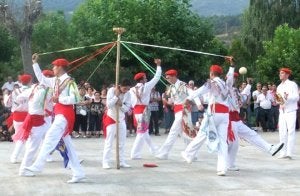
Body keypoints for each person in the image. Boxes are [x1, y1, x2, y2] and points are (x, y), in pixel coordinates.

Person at [24, 54, 85, 183]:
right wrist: (35, 63)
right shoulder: (55, 80)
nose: (53, 68)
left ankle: (38, 165)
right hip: (59, 112)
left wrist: (60, 99)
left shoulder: (70, 81)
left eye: (54, 66)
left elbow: (76, 99)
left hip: (65, 113)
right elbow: (41, 78)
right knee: (68, 145)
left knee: (50, 137)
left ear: (60, 67)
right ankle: (78, 172)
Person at [225, 69, 284, 171]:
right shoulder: (225, 89)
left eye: (236, 77)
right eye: (233, 77)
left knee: (252, 135)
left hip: (236, 120)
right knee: (232, 144)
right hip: (229, 120)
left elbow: (243, 98)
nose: (234, 79)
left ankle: (270, 148)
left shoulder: (234, 90)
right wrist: (232, 66)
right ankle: (226, 164)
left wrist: (248, 85)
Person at [181, 63, 231, 176]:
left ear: (212, 73)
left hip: (214, 112)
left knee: (202, 134)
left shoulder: (211, 82)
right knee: (223, 141)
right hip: (224, 114)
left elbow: (200, 91)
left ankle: (188, 153)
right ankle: (222, 168)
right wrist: (232, 66)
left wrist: (189, 98)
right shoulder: (224, 83)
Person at [16, 71, 53, 176]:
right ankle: (23, 170)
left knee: (34, 144)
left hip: (33, 118)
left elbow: (19, 98)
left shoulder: (33, 87)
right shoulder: (48, 91)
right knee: (33, 146)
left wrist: (29, 105)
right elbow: (51, 106)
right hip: (37, 121)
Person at [155, 69, 193, 160]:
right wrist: (166, 100)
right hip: (177, 111)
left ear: (173, 76)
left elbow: (192, 93)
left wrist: (198, 104)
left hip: (183, 111)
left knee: (173, 132)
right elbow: (173, 100)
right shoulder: (171, 87)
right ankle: (192, 153)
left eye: (168, 78)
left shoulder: (182, 85)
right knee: (185, 134)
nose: (167, 79)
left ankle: (164, 153)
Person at [130, 59, 162, 159]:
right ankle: (134, 154)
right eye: (145, 78)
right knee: (141, 133)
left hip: (136, 111)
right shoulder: (146, 86)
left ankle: (153, 148)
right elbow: (157, 77)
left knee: (144, 131)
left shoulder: (131, 89)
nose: (146, 79)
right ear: (141, 80)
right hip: (143, 111)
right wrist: (158, 66)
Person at [102, 79, 132, 169]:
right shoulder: (112, 90)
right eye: (124, 88)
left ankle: (121, 161)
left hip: (121, 118)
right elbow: (108, 105)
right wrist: (116, 97)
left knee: (122, 142)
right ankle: (105, 162)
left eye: (128, 89)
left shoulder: (128, 94)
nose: (126, 90)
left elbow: (127, 108)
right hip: (111, 118)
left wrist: (121, 104)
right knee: (109, 142)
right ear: (120, 86)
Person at [277, 68, 299, 159]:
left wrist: (288, 97)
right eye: (280, 73)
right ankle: (283, 152)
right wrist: (280, 102)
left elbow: (297, 97)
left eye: (282, 73)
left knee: (291, 131)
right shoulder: (279, 86)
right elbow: (278, 99)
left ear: (287, 75)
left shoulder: (292, 84)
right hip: (282, 111)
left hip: (291, 111)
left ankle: (289, 152)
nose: (280, 74)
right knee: (282, 132)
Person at [9, 74, 32, 163]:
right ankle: (15, 156)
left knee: (20, 137)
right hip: (27, 116)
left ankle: (23, 156)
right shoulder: (32, 91)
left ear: (21, 82)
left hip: (16, 116)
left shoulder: (14, 91)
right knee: (25, 138)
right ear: (30, 81)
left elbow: (8, 103)